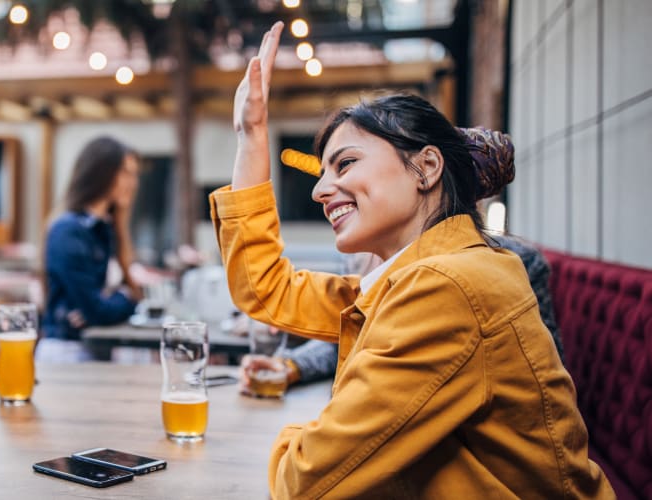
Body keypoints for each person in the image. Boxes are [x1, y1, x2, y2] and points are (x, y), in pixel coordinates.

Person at [211, 22, 613, 498]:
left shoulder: (447, 287)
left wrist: (314, 431)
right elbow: (268, 291)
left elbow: (303, 481)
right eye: (323, 173)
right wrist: (251, 136)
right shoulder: (421, 274)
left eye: (346, 164)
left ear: (425, 168)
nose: (319, 191)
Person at [243, 235, 566, 389]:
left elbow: (543, 371)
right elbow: (348, 329)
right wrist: (292, 366)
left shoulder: (509, 260)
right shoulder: (366, 250)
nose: (325, 190)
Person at [39, 136, 142, 362]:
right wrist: (126, 298)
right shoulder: (68, 230)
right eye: (125, 172)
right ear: (101, 172)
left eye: (134, 174)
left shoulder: (104, 229)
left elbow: (97, 308)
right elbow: (97, 310)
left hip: (92, 347)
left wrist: (108, 303)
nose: (133, 182)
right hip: (67, 352)